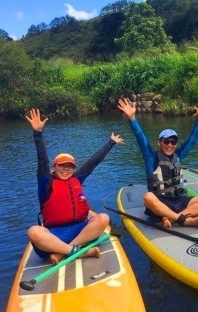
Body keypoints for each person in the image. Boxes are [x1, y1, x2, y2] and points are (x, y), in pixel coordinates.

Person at [25, 108, 124, 264]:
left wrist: (111, 143)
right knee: (33, 232)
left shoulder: (76, 178)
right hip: (54, 235)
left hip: (80, 231)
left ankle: (65, 252)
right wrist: (38, 133)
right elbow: (42, 159)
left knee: (103, 218)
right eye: (62, 166)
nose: (66, 169)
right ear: (54, 167)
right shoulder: (46, 182)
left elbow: (93, 161)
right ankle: (76, 251)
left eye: (70, 166)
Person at [117, 98, 198, 229]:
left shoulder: (178, 156)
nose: (169, 145)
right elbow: (141, 138)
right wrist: (132, 118)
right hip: (159, 203)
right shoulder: (151, 157)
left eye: (173, 142)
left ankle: (172, 219)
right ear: (159, 142)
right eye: (166, 141)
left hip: (178, 201)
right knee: (148, 197)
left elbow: (192, 140)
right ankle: (184, 220)